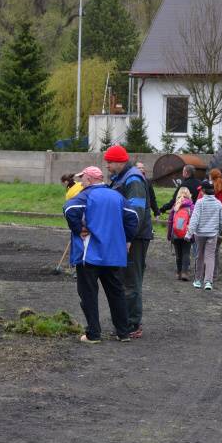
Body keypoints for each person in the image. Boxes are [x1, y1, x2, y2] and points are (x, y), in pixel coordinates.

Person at [63, 166, 139, 343]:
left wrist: (78, 229)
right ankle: (123, 332)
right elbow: (133, 217)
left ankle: (93, 334)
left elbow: (68, 209)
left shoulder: (86, 195)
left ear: (89, 179)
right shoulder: (117, 196)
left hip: (90, 254)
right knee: (116, 293)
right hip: (113, 255)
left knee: (88, 294)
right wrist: (127, 240)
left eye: (83, 179)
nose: (81, 182)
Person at [105, 144, 152, 339]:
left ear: (119, 161)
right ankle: (125, 322)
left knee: (131, 282)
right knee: (124, 279)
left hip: (135, 238)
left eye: (109, 162)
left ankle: (132, 324)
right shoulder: (121, 177)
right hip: (126, 236)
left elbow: (136, 212)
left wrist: (128, 238)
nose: (107, 165)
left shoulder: (133, 180)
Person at [186, 179, 222, 291]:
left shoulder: (200, 202)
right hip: (213, 234)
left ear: (203, 190)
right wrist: (220, 229)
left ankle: (198, 280)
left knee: (199, 256)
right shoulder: (218, 203)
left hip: (200, 234)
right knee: (210, 257)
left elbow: (194, 219)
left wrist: (189, 234)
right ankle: (208, 281)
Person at [197, 168, 222, 280]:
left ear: (210, 177)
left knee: (203, 249)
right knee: (215, 249)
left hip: (204, 223)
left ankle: (203, 272)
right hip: (219, 225)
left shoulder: (203, 191)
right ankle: (213, 274)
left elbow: (198, 206)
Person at [167, 186, 194, 281]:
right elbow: (193, 220)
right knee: (186, 253)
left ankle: (178, 272)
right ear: (189, 194)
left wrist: (169, 234)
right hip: (187, 233)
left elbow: (170, 221)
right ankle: (184, 273)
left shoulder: (176, 205)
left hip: (175, 233)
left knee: (178, 254)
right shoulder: (191, 205)